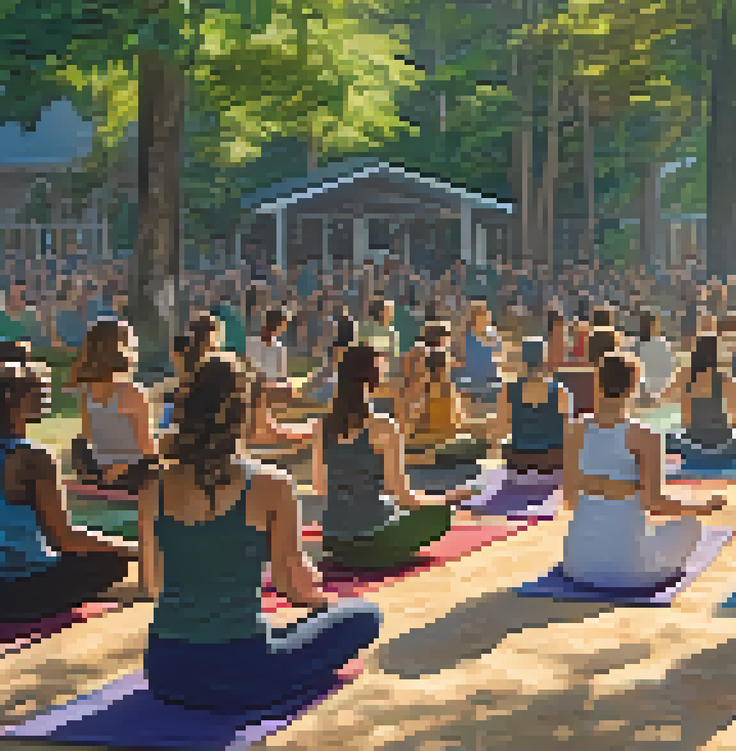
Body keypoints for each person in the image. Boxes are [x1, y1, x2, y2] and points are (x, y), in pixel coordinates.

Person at [140, 352, 383, 712]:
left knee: (282, 630)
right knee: (364, 615)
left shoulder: (153, 487)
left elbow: (154, 584)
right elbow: (291, 586)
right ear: (246, 413)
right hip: (242, 673)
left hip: (166, 671)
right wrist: (328, 608)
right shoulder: (272, 484)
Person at [560, 353, 726, 591]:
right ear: (634, 386)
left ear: (598, 383)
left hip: (577, 565)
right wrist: (701, 507)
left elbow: (569, 500)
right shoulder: (646, 436)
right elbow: (655, 503)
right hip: (628, 571)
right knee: (690, 525)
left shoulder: (575, 430)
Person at [310, 344, 474, 570]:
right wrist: (445, 499)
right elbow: (403, 496)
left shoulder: (322, 426)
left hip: (334, 539)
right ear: (373, 379)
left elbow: (320, 486)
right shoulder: (384, 427)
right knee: (442, 515)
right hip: (375, 539)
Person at [0, 361, 138, 623]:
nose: (46, 394)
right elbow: (64, 539)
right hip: (18, 592)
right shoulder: (33, 458)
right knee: (113, 563)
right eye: (38, 390)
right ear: (15, 401)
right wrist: (132, 549)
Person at [68, 321, 159, 495]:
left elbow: (88, 439)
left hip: (100, 474)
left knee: (79, 442)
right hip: (131, 476)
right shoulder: (133, 392)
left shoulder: (86, 394)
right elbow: (147, 449)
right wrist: (119, 468)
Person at [663, 333, 736, 465]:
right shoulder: (727, 380)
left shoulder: (684, 379)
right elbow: (735, 418)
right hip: (723, 446)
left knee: (670, 438)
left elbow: (682, 415)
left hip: (693, 446)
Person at [496, 338, 572, 475]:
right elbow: (568, 431)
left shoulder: (508, 390)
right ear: (544, 361)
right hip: (552, 459)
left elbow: (501, 429)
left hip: (520, 459)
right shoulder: (560, 391)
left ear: (522, 361)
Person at [454, 301, 504, 412]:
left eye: (481, 315)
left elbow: (499, 363)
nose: (478, 319)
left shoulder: (494, 337)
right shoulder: (462, 339)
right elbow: (458, 365)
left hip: (489, 383)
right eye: (475, 315)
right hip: (469, 383)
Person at [632, 313, 674, 408]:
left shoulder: (635, 345)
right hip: (658, 391)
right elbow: (668, 369)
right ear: (654, 325)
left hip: (641, 392)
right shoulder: (662, 344)